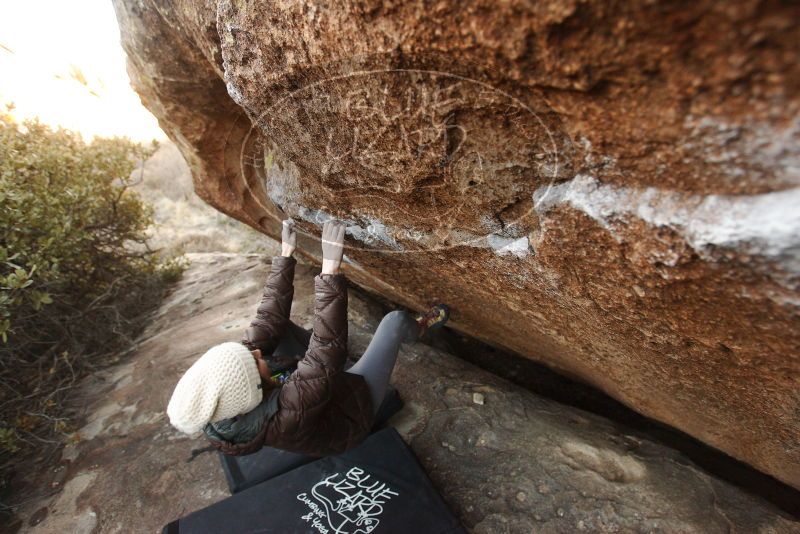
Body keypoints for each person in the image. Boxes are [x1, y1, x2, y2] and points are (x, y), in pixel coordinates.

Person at [166, 219, 449, 457]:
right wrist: (330, 271)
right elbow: (325, 357)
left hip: (319, 385)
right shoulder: (285, 419)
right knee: (394, 323)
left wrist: (286, 255)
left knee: (280, 328)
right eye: (253, 363)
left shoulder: (229, 391)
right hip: (352, 408)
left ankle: (332, 359)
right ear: (253, 392)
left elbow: (268, 319)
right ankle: (421, 328)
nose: (255, 353)